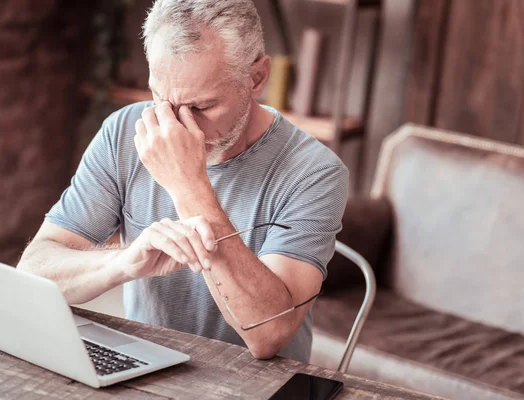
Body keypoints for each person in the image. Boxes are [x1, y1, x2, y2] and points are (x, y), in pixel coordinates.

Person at [17, 0, 349, 363]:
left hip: (258, 384)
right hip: (146, 369)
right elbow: (34, 270)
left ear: (256, 78)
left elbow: (269, 335)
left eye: (201, 107)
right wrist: (124, 263)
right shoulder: (123, 133)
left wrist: (188, 185)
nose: (175, 127)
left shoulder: (314, 172)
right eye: (161, 98)